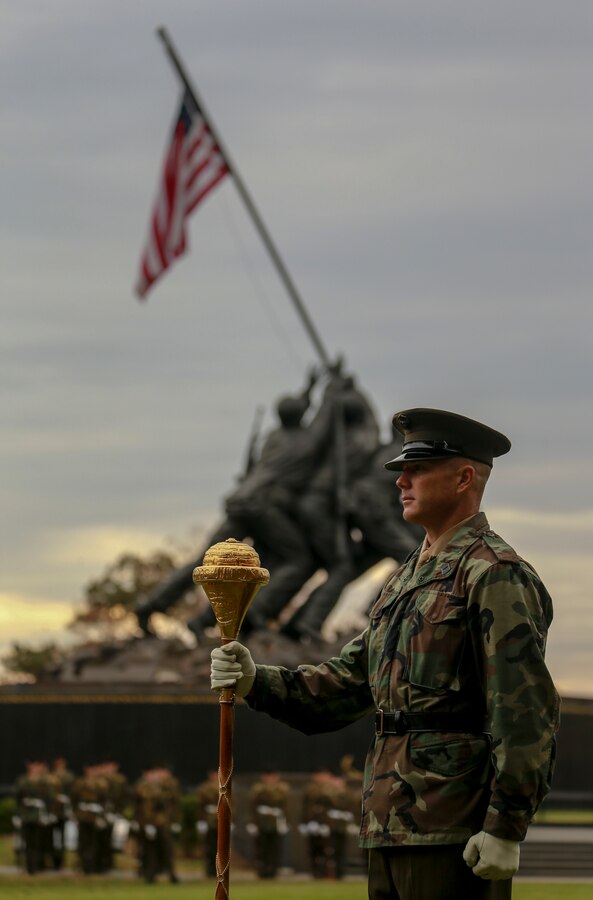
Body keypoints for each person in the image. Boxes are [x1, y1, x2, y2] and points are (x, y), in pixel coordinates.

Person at [210, 408, 560, 900]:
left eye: (416, 470)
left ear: (463, 478)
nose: (401, 483)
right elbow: (345, 685)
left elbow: (523, 711)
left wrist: (506, 824)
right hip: (388, 821)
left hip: (453, 825)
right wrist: (255, 680)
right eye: (401, 471)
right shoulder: (405, 579)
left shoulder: (493, 574)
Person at [132, 767, 181, 884]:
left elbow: (171, 806)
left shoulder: (163, 787)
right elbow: (139, 808)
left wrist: (174, 821)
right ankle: (150, 875)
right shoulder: (142, 788)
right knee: (149, 851)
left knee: (167, 849)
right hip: (148, 823)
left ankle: (171, 874)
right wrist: (141, 823)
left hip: (162, 823)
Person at [247, 771, 291, 878]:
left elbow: (286, 806)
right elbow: (252, 806)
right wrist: (252, 822)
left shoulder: (282, 788)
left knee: (275, 847)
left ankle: (273, 870)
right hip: (262, 821)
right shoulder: (258, 788)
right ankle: (262, 870)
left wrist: (286, 821)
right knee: (262, 847)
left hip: (276, 821)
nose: (270, 779)